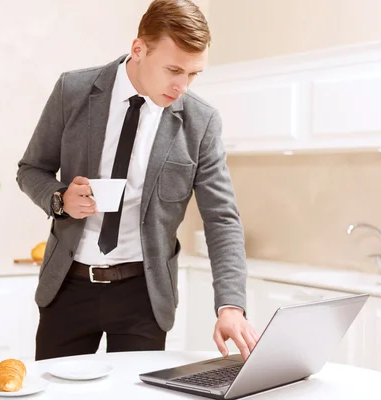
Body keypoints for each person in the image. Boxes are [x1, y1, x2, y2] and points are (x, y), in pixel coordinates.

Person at [16, 0, 259, 362]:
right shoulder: (73, 90)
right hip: (67, 287)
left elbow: (221, 218)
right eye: (174, 69)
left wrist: (231, 306)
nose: (182, 86)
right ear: (138, 49)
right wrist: (60, 198)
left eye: (193, 74)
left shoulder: (201, 122)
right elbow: (31, 169)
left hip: (144, 296)